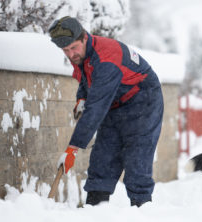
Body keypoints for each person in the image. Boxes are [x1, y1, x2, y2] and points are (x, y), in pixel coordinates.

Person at [49, 16, 164, 207]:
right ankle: (95, 214)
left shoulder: (106, 58)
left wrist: (73, 148)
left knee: (136, 162)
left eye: (73, 48)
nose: (70, 54)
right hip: (115, 103)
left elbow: (96, 109)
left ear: (84, 37)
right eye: (65, 50)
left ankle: (142, 211)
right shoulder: (81, 54)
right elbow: (87, 79)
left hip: (143, 100)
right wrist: (81, 97)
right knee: (102, 161)